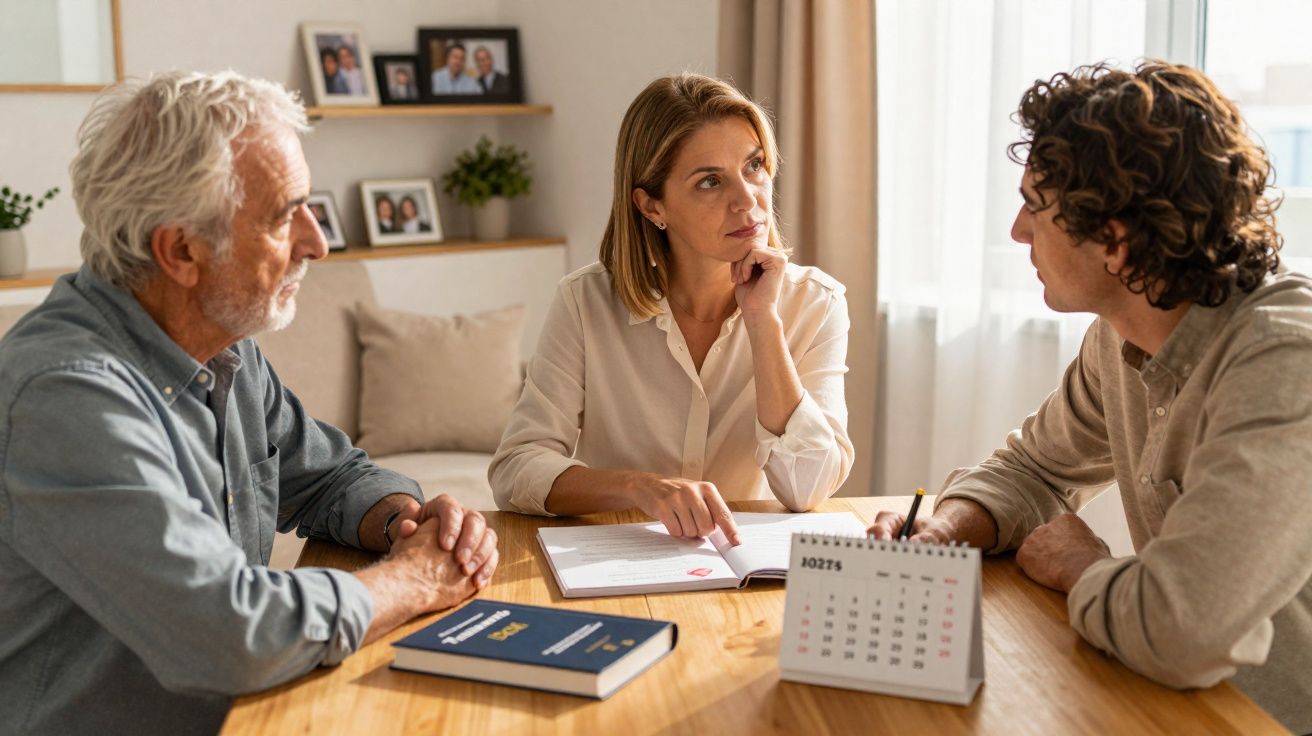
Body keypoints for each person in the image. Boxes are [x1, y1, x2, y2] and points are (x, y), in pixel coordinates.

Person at [0, 70, 499, 734]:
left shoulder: (224, 348)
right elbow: (229, 632)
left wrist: (406, 520)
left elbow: (333, 477)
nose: (317, 242)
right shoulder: (64, 397)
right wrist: (415, 579)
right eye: (284, 215)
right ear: (181, 251)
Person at [868, 61, 1312, 733]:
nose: (1018, 231)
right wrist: (946, 526)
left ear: (1113, 241)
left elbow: (1181, 629)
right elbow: (1034, 468)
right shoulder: (1124, 333)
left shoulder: (1285, 360)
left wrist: (1083, 567)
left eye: (1035, 208)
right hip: (1178, 702)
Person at [489, 73, 854, 542]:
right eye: (709, 182)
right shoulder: (586, 302)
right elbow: (516, 468)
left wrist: (764, 322)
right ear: (651, 207)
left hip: (750, 572)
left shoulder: (815, 304)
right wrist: (638, 487)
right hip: (620, 567)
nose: (748, 200)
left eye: (755, 166)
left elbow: (809, 487)